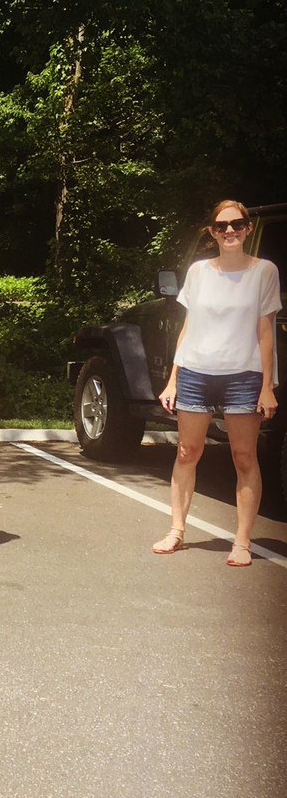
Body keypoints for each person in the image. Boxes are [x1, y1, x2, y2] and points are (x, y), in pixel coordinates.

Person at [151, 200, 280, 567]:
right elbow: (188, 327)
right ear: (212, 231)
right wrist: (173, 379)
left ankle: (242, 541)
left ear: (248, 228)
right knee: (187, 453)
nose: (230, 231)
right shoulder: (198, 272)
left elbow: (265, 330)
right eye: (222, 226)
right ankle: (176, 530)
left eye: (237, 224)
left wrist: (267, 385)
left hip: (244, 376)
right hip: (195, 372)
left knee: (243, 458)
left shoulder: (264, 272)